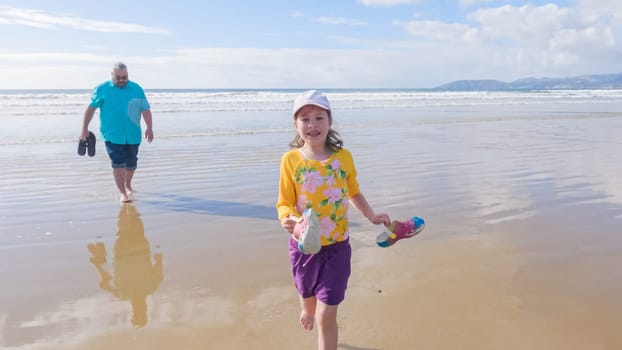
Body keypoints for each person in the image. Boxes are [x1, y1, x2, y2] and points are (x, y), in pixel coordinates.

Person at [276, 90, 390, 349]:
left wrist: (370, 214)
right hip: (305, 245)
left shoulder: (343, 158)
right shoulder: (291, 160)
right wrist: (288, 219)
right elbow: (284, 202)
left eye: (319, 117)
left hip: (338, 246)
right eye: (305, 119)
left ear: (330, 121)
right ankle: (306, 307)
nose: (312, 125)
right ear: (296, 125)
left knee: (326, 314)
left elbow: (354, 192)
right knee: (306, 291)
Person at [80, 62, 153, 202]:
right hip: (112, 134)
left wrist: (149, 127)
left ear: (128, 75)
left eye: (124, 77)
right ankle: (122, 193)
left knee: (132, 163)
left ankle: (128, 185)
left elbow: (145, 109)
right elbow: (90, 110)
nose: (121, 80)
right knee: (118, 162)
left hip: (133, 134)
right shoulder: (102, 89)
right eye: (118, 77)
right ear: (112, 75)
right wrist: (84, 129)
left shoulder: (136, 88)